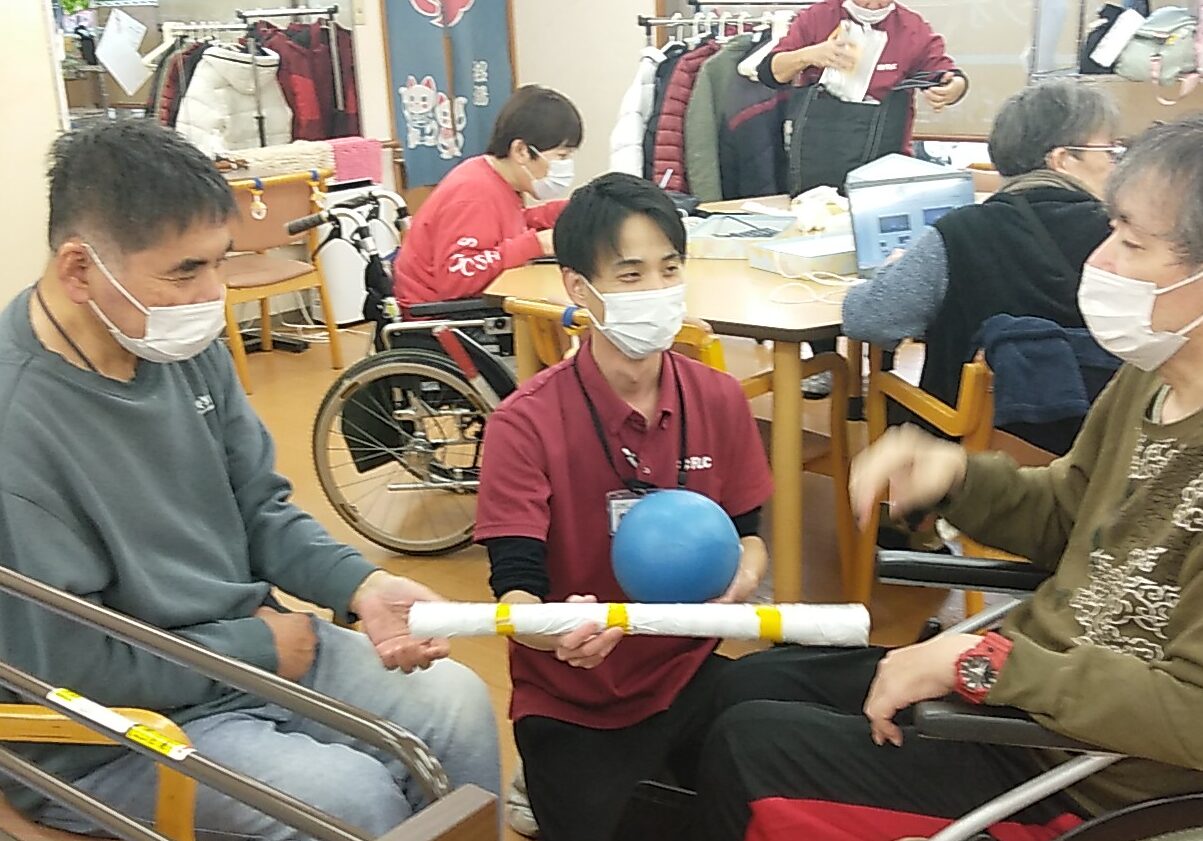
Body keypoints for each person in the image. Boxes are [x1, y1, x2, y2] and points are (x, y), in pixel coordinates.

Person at [692, 115, 1203, 840]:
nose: (1099, 259)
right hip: (1033, 699)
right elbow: (1069, 513)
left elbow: (1192, 711)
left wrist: (984, 662)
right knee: (750, 682)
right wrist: (954, 477)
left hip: (1087, 776)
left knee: (752, 751)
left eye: (1131, 241)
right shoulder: (1149, 380)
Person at [0, 121, 499, 838]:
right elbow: (74, 667)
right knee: (351, 800)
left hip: (247, 651)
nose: (215, 292)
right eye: (186, 271)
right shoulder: (19, 423)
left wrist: (360, 585)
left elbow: (259, 507)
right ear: (80, 270)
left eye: (221, 261)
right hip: (112, 729)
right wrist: (259, 649)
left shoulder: (169, 339)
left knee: (457, 705)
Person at [474, 172, 774, 841]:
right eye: (631, 275)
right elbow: (515, 594)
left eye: (670, 269)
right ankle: (539, 781)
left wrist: (742, 580)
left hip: (689, 671)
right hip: (575, 698)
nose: (657, 291)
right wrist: (554, 630)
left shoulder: (718, 397)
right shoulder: (524, 424)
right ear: (579, 288)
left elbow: (749, 533)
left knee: (772, 793)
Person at [842, 80, 1121, 450]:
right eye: (1110, 151)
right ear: (1063, 159)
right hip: (1106, 446)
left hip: (967, 452)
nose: (1117, 164)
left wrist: (892, 271)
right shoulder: (1128, 239)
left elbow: (867, 319)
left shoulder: (961, 231)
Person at [762, 0, 969, 398]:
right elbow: (772, 70)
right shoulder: (816, 19)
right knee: (818, 256)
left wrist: (951, 89)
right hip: (818, 161)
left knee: (884, 260)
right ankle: (823, 358)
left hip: (884, 167)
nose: (874, 4)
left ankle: (883, 368)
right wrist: (811, 54)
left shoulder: (911, 29)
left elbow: (948, 74)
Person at [393, 84, 583, 309]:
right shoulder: (473, 193)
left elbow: (502, 227)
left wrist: (569, 211)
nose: (565, 165)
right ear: (521, 151)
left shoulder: (492, 177)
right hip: (442, 316)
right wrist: (535, 244)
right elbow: (456, 278)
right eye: (561, 156)